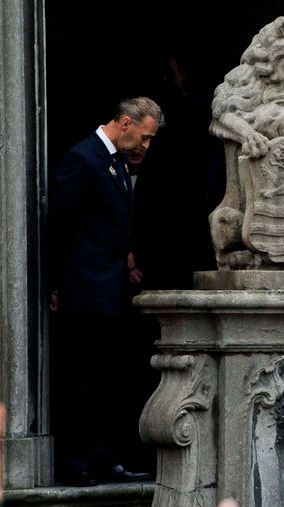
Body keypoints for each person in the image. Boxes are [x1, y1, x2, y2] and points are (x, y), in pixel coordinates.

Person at [48, 96, 164, 486]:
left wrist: (125, 256)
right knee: (80, 376)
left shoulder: (115, 160)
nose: (146, 146)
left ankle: (104, 456)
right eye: (144, 137)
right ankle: (74, 460)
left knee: (106, 378)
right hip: (84, 289)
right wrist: (55, 285)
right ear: (126, 122)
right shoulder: (84, 159)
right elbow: (62, 227)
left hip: (110, 289)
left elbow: (108, 224)